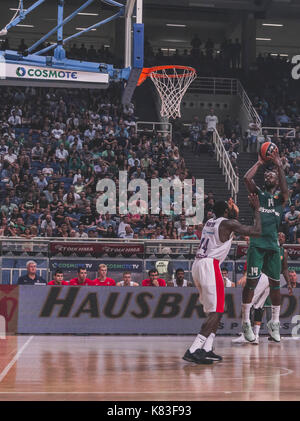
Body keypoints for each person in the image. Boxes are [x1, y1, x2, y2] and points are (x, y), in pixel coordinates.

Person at [182, 194, 261, 365]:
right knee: (217, 311)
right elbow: (256, 231)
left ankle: (207, 348)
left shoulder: (210, 222)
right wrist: (256, 210)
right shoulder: (228, 223)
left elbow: (231, 227)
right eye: (229, 207)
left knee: (216, 310)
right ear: (226, 211)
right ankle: (194, 349)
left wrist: (233, 211)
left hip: (198, 264)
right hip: (210, 265)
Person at [241, 149, 289, 343]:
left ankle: (274, 323)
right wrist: (260, 162)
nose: (270, 176)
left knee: (275, 286)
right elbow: (246, 178)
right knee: (251, 283)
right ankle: (245, 321)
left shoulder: (279, 200)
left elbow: (286, 191)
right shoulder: (258, 194)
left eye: (273, 175)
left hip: (273, 245)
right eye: (267, 174)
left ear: (277, 181)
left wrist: (279, 165)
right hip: (257, 243)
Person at [233, 232, 290, 345]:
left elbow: (284, 269)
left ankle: (256, 335)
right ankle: (246, 333)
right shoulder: (268, 246)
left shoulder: (284, 252)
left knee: (259, 306)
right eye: (278, 235)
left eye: (283, 236)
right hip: (263, 277)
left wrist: (288, 283)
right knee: (249, 303)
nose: (281, 237)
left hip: (273, 280)